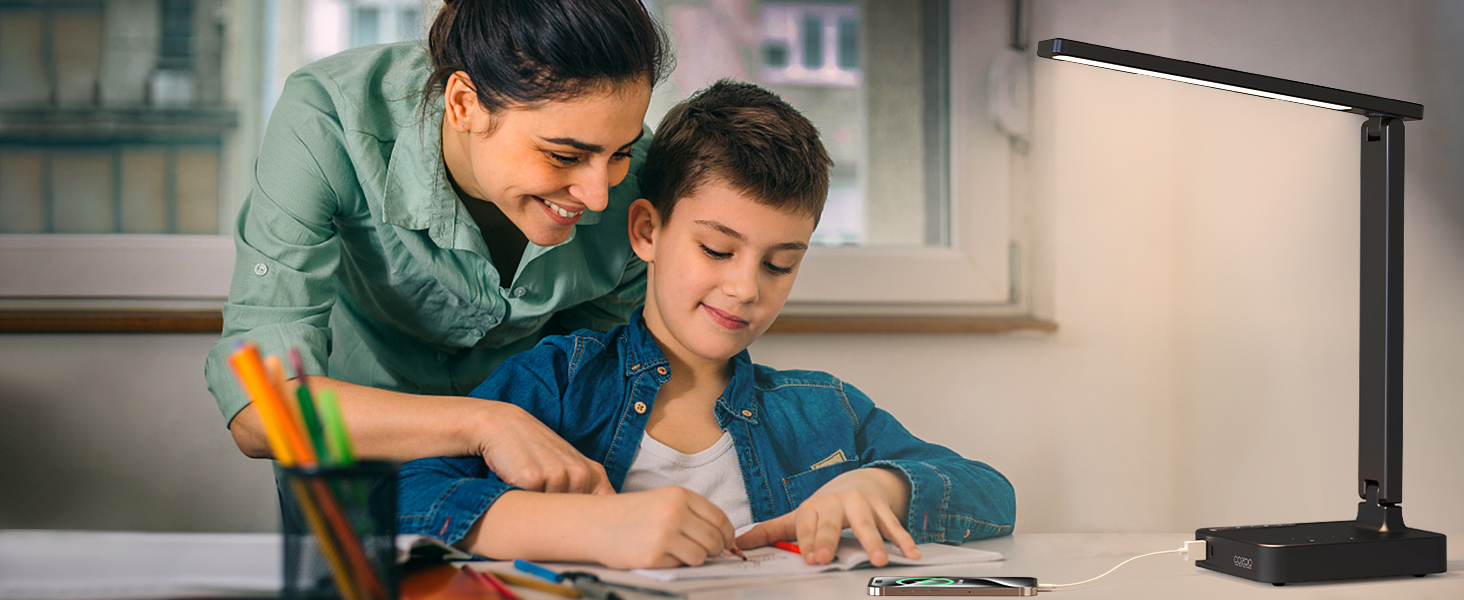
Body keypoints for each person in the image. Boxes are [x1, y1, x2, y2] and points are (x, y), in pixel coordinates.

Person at [395, 81, 1017, 569]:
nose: (746, 288)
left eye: (779, 265)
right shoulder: (557, 385)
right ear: (647, 231)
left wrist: (883, 487)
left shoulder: (824, 411)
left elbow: (991, 494)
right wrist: (591, 529)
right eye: (717, 251)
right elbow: (401, 502)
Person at [204, 0, 671, 494]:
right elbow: (261, 409)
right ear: (464, 103)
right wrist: (485, 424)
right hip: (355, 470)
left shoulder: (636, 182)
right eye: (563, 155)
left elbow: (600, 387)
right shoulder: (327, 117)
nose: (599, 193)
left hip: (533, 483)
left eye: (619, 152)